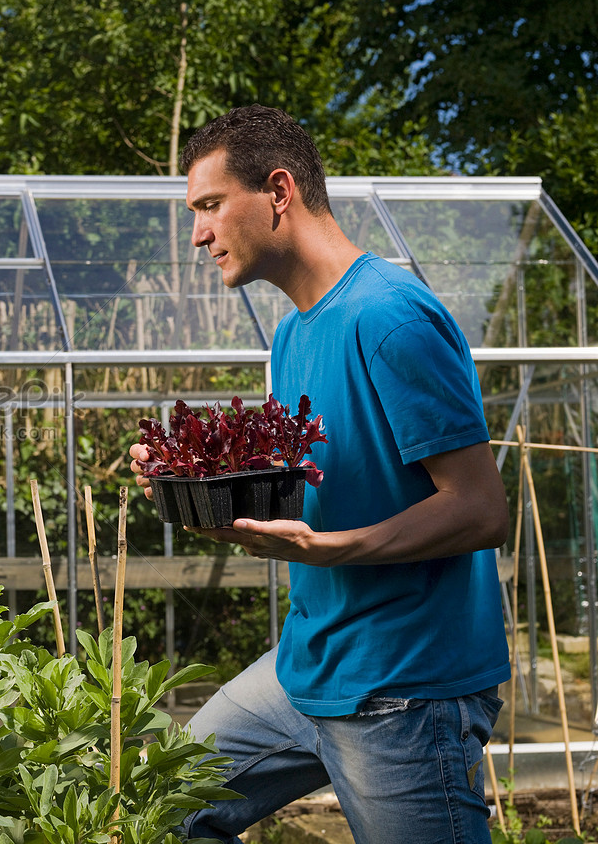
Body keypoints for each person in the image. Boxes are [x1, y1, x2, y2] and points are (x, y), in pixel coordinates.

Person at [128, 105, 510, 843]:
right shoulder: (295, 332)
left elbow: (480, 507)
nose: (198, 235)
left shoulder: (389, 318)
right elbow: (306, 481)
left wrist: (330, 551)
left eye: (209, 207)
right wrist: (187, 475)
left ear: (277, 191)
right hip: (310, 663)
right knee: (160, 803)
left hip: (404, 687)